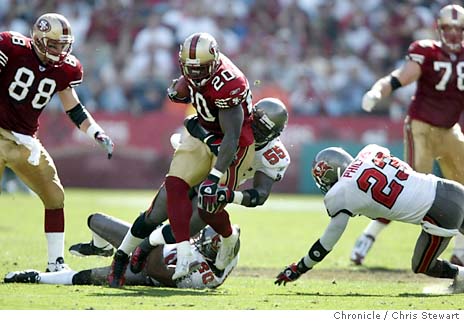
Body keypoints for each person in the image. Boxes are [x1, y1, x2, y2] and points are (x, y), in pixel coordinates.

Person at [73, 97, 290, 286]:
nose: (254, 132)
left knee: (191, 224)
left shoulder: (274, 154)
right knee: (155, 214)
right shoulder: (235, 118)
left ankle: (145, 247)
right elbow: (192, 123)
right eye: (255, 125)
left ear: (275, 134)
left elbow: (259, 196)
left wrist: (229, 196)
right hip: (198, 165)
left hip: (221, 182)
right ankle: (121, 258)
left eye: (262, 130)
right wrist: (209, 142)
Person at [106, 32, 255, 287]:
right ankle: (123, 255)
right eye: (190, 70)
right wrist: (181, 91)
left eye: (201, 70)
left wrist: (214, 177)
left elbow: (231, 136)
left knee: (207, 206)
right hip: (202, 134)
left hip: (232, 145)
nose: (195, 76)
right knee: (170, 191)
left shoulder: (230, 83)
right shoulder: (195, 72)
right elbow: (193, 96)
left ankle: (227, 239)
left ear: (215, 61)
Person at [0, 13, 114, 272]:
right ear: (38, 40)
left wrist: (96, 133)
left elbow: (74, 108)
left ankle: (55, 264)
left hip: (25, 141)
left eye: (63, 45)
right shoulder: (10, 47)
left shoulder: (66, 68)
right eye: (53, 44)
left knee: (55, 197)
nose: (59, 50)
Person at [354, 4, 464, 266]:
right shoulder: (426, 51)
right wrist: (378, 91)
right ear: (439, 28)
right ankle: (368, 236)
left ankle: (460, 252)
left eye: (458, 29)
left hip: (450, 130)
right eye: (447, 28)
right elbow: (401, 77)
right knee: (409, 190)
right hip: (421, 127)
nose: (452, 34)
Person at [274, 144, 464, 293]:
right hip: (450, 188)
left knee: (422, 265)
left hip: (439, 213)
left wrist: (300, 268)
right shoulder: (370, 151)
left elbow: (327, 242)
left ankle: (462, 276)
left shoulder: (342, 192)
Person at [4, 213, 239, 289]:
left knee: (86, 277)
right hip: (153, 250)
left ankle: (36, 277)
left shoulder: (204, 272)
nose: (199, 240)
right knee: (96, 220)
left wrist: (152, 238)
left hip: (145, 273)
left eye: (205, 244)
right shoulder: (227, 250)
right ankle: (101, 247)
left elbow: (156, 271)